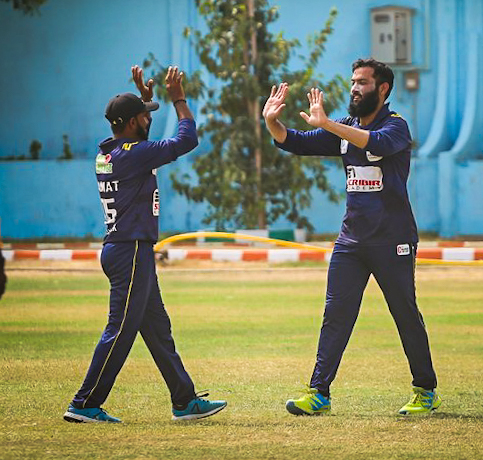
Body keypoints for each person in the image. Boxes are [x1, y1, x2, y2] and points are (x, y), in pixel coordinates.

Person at [262, 58, 440, 416]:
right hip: (351, 243)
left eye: (362, 82)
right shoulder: (346, 126)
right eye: (353, 82)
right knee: (336, 315)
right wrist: (271, 122)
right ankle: (319, 393)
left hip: (393, 240)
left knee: (404, 314)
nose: (355, 89)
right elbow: (297, 142)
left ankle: (426, 390)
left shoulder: (396, 126)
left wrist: (329, 124)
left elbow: (376, 143)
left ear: (382, 88)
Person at [64, 65, 227, 423]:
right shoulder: (135, 154)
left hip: (125, 249)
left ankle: (184, 400)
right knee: (120, 330)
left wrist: (143, 101)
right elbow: (187, 140)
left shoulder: (109, 153)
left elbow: (139, 144)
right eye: (144, 116)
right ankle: (84, 402)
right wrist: (178, 99)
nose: (148, 119)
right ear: (131, 122)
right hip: (131, 251)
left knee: (157, 330)